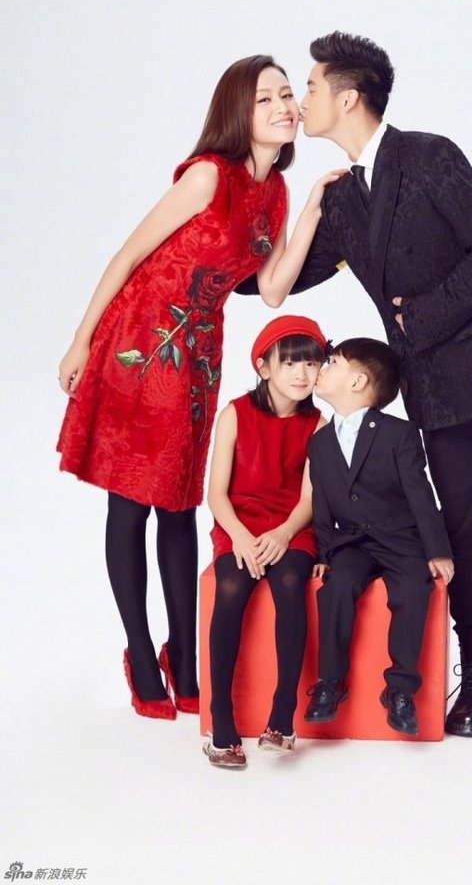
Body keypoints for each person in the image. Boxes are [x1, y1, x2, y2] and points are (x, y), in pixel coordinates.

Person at [239, 31, 472, 740]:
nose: (300, 100)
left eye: (309, 88)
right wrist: (260, 193)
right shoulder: (342, 200)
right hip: (437, 387)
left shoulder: (430, 155)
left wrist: (420, 316)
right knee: (461, 530)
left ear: (348, 98)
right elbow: (270, 279)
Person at [56, 55, 343, 720]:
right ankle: (140, 655)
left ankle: (183, 656)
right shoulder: (209, 175)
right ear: (238, 112)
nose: (283, 106)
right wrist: (81, 339)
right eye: (265, 98)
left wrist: (312, 211)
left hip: (198, 356)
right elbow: (129, 255)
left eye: (286, 95)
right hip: (140, 338)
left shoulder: (275, 192)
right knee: (134, 501)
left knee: (181, 501)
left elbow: (271, 290)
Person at [303, 338, 454, 736]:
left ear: (358, 381)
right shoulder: (319, 443)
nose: (321, 368)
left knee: (412, 590)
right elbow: (321, 503)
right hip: (352, 542)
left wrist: (437, 550)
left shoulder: (398, 434)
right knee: (337, 587)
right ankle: (329, 683)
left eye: (332, 363)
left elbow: (420, 494)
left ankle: (400, 689)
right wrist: (324, 553)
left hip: (400, 540)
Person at [202, 316, 327, 768]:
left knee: (291, 584)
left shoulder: (317, 423)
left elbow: (309, 498)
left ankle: (282, 716)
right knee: (231, 586)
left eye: (311, 364)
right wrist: (240, 536)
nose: (302, 374)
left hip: (292, 525)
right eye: (290, 363)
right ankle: (221, 720)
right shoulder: (235, 413)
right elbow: (216, 493)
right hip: (240, 523)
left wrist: (283, 533)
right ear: (264, 367)